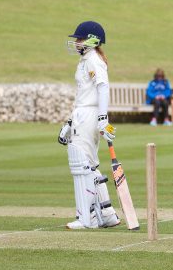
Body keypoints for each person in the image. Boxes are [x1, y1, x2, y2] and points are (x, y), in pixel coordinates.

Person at [58, 21, 120, 229]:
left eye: (80, 38)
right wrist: (69, 122)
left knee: (81, 164)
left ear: (92, 40)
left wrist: (103, 119)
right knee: (90, 165)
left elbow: (103, 87)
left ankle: (87, 217)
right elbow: (84, 95)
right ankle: (107, 213)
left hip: (90, 116)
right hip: (83, 115)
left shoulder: (93, 60)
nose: (76, 42)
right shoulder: (86, 60)